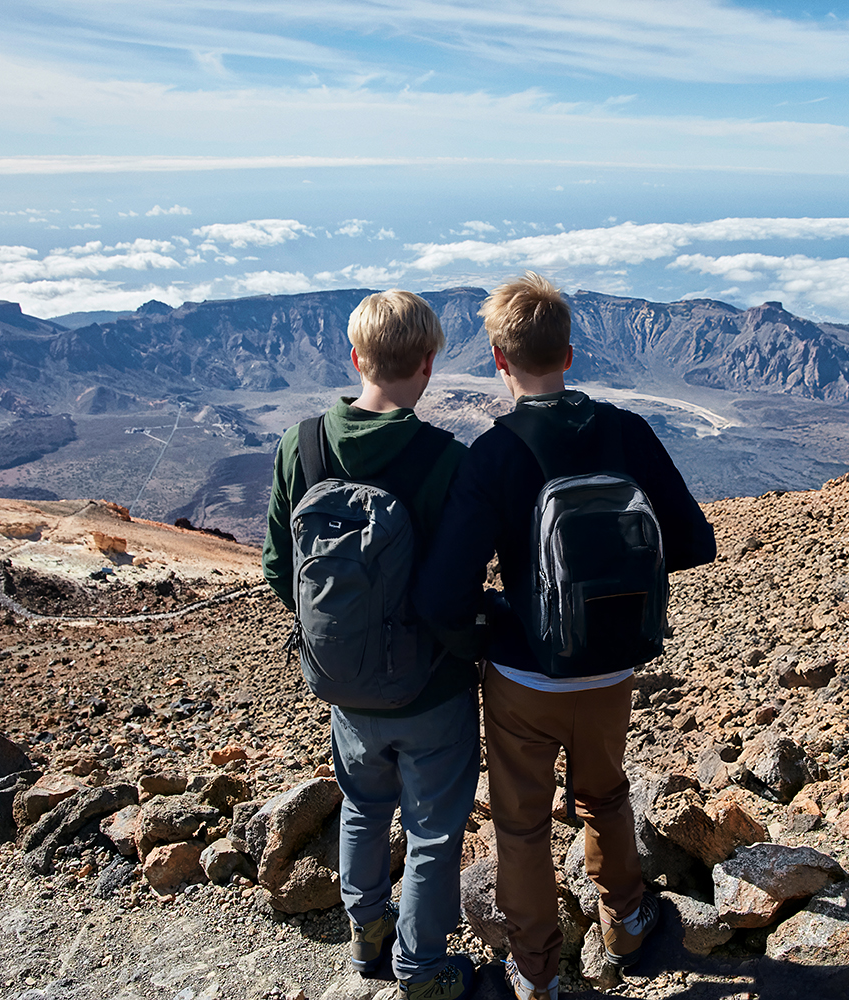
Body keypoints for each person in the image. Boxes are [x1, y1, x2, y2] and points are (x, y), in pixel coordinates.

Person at [416, 273, 716, 1000]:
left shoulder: (494, 453)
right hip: (611, 668)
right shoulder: (627, 432)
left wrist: (495, 618)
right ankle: (628, 922)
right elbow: (694, 541)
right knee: (605, 797)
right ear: (570, 353)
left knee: (520, 826)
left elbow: (441, 593)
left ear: (498, 359)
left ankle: (534, 970)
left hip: (524, 674)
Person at [261, 289, 480, 1000]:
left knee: (362, 807)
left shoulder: (304, 445)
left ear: (355, 358)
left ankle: (367, 937)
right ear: (427, 365)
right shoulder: (445, 459)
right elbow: (457, 588)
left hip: (344, 684)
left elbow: (276, 570)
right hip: (431, 687)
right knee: (434, 830)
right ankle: (420, 966)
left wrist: (335, 631)